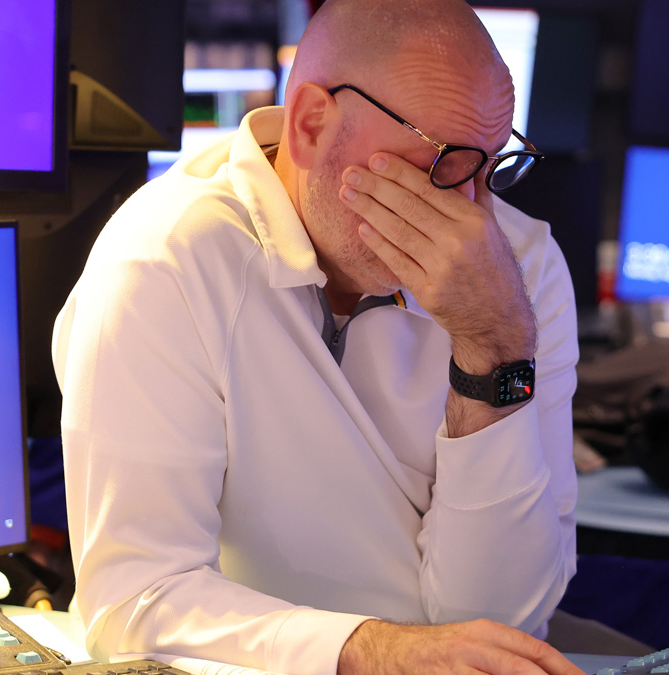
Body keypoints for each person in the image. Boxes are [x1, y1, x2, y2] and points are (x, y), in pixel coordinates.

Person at [52, 1, 588, 673]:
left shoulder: (518, 269)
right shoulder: (165, 261)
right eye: (440, 164)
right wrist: (373, 650)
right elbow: (134, 603)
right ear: (310, 125)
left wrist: (494, 347)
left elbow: (499, 624)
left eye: (489, 165)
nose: (470, 215)